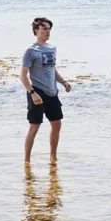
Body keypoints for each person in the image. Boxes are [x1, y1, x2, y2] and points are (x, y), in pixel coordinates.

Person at [20, 17, 71, 164]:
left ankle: (53, 157)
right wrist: (32, 93)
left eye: (49, 29)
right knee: (34, 127)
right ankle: (27, 161)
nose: (47, 31)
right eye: (44, 29)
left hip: (52, 92)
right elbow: (22, 75)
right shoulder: (30, 51)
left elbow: (51, 69)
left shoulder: (51, 48)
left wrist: (63, 82)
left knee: (57, 124)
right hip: (37, 91)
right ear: (36, 31)